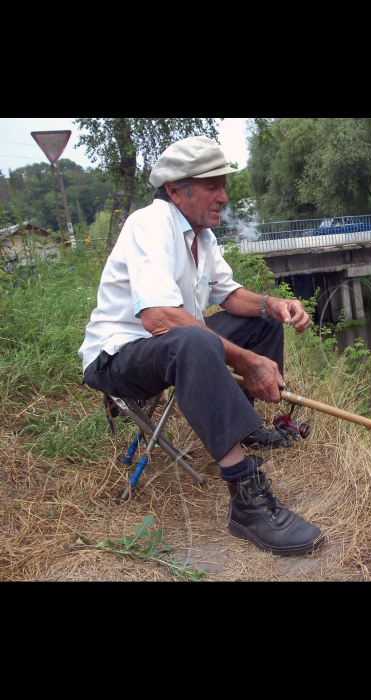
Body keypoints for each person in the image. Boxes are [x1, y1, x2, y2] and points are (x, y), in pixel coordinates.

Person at [79, 136, 324, 558]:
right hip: (119, 357)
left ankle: (242, 427)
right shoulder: (149, 225)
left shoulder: (202, 237)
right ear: (176, 189)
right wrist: (247, 362)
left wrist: (273, 304)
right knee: (192, 340)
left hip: (169, 344)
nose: (224, 196)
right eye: (212, 185)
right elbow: (158, 318)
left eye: (223, 184)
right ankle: (246, 500)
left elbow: (228, 295)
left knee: (257, 321)